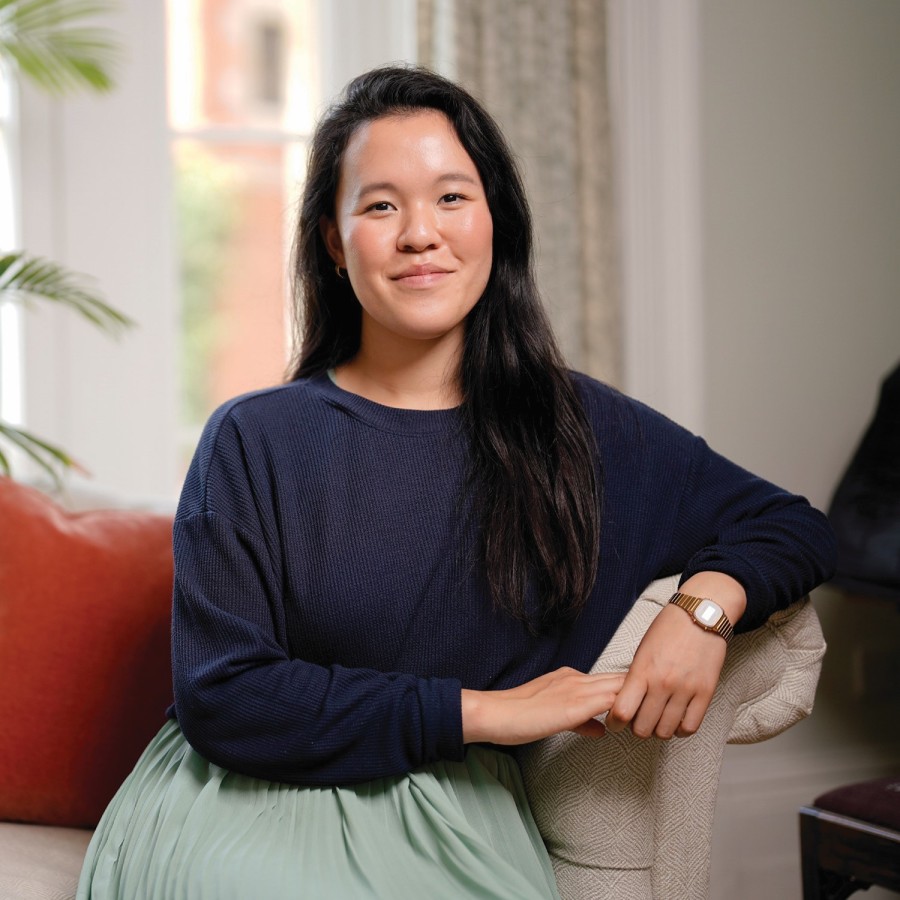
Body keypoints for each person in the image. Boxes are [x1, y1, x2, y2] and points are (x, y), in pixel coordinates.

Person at [77, 66, 835, 899]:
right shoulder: (255, 437)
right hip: (235, 804)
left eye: (450, 198)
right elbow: (225, 695)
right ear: (334, 243)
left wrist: (705, 610)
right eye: (378, 205)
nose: (419, 234)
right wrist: (482, 712)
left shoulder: (581, 430)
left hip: (454, 819)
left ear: (495, 222)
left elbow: (791, 523)